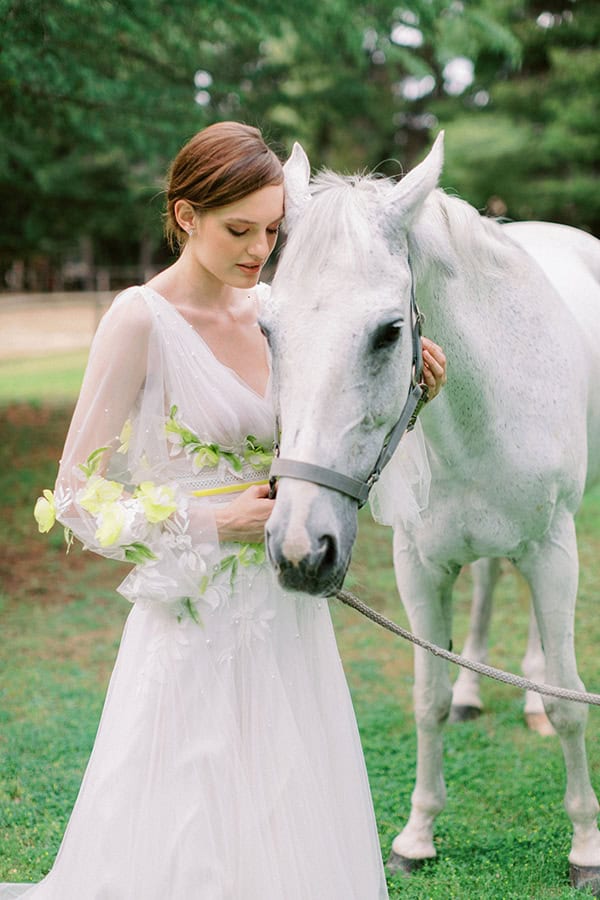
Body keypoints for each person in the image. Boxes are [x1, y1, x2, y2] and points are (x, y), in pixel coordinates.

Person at [1, 122, 446, 900]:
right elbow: (74, 496)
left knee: (287, 805)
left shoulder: (279, 311)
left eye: (273, 231)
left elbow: (322, 440)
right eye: (240, 230)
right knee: (188, 817)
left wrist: (411, 394)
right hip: (192, 620)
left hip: (286, 609)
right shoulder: (140, 319)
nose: (259, 251)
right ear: (185, 217)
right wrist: (213, 523)